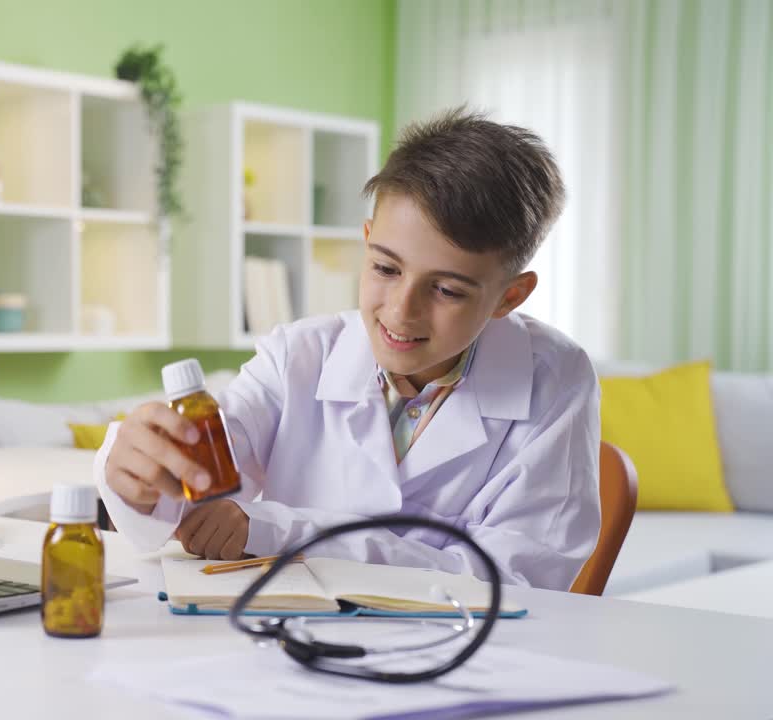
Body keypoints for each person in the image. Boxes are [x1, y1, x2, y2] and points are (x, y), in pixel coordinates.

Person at [94, 107, 600, 591]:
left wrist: (281, 533)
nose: (402, 312)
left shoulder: (556, 380)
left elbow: (517, 579)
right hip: (289, 638)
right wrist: (137, 473)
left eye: (446, 290)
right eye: (385, 268)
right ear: (367, 241)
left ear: (510, 295)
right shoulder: (297, 355)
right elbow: (203, 483)